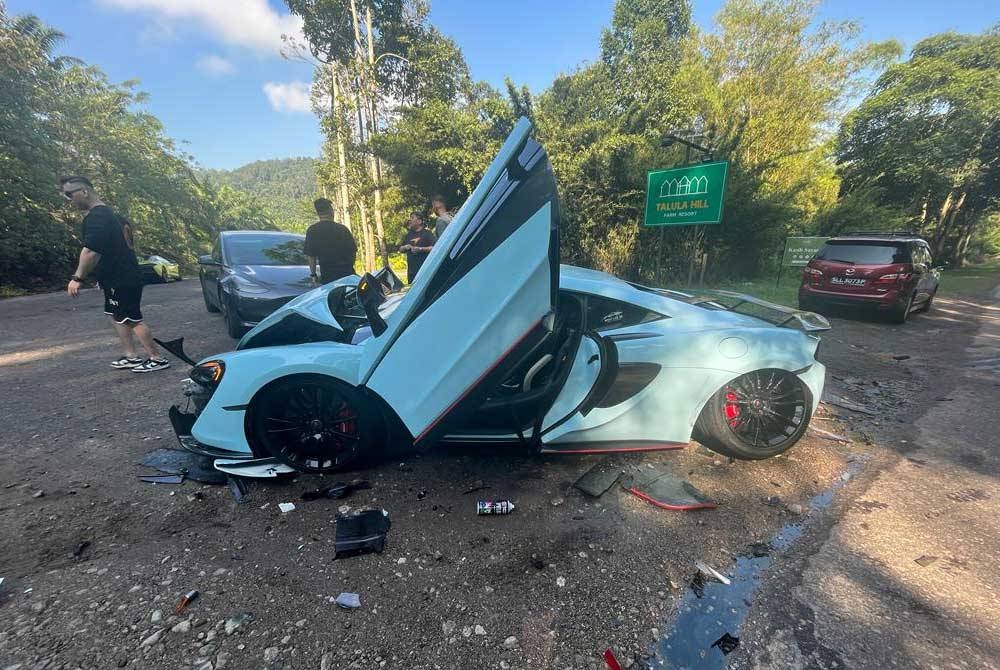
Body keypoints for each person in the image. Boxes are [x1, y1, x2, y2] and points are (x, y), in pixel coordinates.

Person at [62, 176, 169, 373]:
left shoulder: (98, 217)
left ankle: (157, 358)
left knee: (131, 318)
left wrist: (77, 278)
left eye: (70, 194)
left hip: (122, 279)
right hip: (115, 278)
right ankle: (131, 356)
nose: (68, 199)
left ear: (84, 191)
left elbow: (91, 250)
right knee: (115, 315)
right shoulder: (114, 216)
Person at [304, 198, 358, 285]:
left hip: (327, 276)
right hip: (346, 274)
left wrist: (313, 275)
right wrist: (349, 266)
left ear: (318, 213)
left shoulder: (312, 231)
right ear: (331, 211)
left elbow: (311, 256)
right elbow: (353, 252)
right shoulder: (342, 229)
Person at [398, 211, 436, 284]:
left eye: (412, 218)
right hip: (411, 272)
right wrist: (405, 247)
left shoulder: (427, 233)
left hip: (424, 270)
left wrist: (420, 249)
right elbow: (400, 249)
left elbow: (434, 248)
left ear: (419, 221)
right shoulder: (408, 234)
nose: (410, 220)